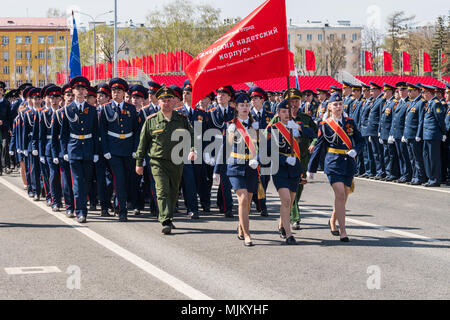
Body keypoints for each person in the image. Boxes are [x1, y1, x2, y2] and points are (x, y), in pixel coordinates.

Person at [135, 86, 196, 235]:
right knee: (162, 191)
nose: (166, 103)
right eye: (163, 100)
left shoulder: (181, 119)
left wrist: (193, 150)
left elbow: (192, 136)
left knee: (174, 191)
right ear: (159, 101)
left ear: (174, 102)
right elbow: (143, 144)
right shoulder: (151, 121)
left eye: (169, 100)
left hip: (176, 161)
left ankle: (168, 215)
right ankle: (165, 220)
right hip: (157, 162)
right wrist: (139, 163)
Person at [307, 93, 365, 242]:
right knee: (340, 194)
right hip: (333, 163)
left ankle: (332, 220)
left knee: (344, 196)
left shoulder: (350, 122)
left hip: (348, 163)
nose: (338, 107)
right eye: (335, 104)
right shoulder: (325, 124)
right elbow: (319, 146)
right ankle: (343, 231)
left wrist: (356, 150)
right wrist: (311, 168)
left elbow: (360, 140)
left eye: (340, 104)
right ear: (330, 107)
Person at [267, 98, 315, 244]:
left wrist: (299, 128)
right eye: (283, 111)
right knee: (286, 200)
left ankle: (282, 225)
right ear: (279, 114)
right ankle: (289, 234)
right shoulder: (274, 128)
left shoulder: (296, 126)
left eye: (288, 111)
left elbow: (313, 133)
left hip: (295, 168)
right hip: (280, 168)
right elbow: (269, 151)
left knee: (291, 200)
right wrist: (284, 159)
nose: (287, 114)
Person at [216, 92, 259, 246]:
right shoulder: (231, 125)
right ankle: (247, 234)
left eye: (247, 105)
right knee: (243, 199)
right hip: (235, 166)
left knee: (248, 202)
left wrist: (257, 159)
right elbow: (224, 148)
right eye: (242, 105)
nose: (245, 107)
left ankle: (241, 226)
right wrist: (216, 170)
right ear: (236, 107)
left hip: (251, 167)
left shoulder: (256, 125)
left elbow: (264, 147)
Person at [61, 76, 99, 223]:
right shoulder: (67, 109)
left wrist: (95, 152)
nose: (80, 91)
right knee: (77, 182)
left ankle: (83, 207)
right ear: (73, 91)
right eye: (77, 89)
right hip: (74, 149)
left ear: (86, 91)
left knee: (87, 182)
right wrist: (65, 151)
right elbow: (64, 133)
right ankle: (80, 212)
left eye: (83, 89)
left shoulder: (92, 110)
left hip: (88, 149)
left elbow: (96, 133)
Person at [99, 78, 139, 222]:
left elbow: (136, 131)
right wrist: (105, 149)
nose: (116, 94)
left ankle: (117, 203)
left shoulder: (131, 108)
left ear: (124, 93)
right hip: (113, 149)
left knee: (126, 180)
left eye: (119, 91)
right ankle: (122, 211)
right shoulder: (106, 108)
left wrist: (135, 149)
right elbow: (102, 131)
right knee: (119, 179)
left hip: (128, 149)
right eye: (114, 91)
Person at [206, 86, 235, 218]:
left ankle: (225, 205)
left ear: (229, 98)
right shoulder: (210, 112)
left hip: (232, 150)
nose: (220, 96)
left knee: (226, 181)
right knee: (220, 180)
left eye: (224, 94)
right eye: (218, 94)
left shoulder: (234, 112)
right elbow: (206, 135)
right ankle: (224, 205)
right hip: (216, 150)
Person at [248, 86, 273, 217]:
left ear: (262, 100)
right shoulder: (247, 114)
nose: (253, 101)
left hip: (266, 152)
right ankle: (261, 205)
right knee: (253, 178)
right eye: (252, 99)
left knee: (265, 179)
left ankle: (259, 201)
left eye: (256, 98)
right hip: (251, 152)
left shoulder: (270, 115)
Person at [420, 84, 446, 187]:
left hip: (433, 135)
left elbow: (440, 120)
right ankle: (430, 178)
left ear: (429, 93)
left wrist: (443, 132)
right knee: (427, 157)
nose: (422, 94)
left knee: (433, 158)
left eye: (424, 92)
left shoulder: (436, 104)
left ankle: (435, 179)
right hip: (427, 135)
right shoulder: (429, 103)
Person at [389, 82, 412, 184]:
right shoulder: (399, 103)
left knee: (405, 156)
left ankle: (407, 175)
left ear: (407, 91)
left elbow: (407, 120)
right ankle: (403, 174)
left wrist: (404, 134)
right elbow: (394, 119)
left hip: (403, 133)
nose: (401, 92)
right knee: (400, 156)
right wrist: (392, 133)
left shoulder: (409, 103)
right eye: (399, 90)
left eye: (403, 90)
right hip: (397, 133)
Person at [404, 83, 427, 185]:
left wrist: (418, 134)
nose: (408, 93)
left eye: (410, 91)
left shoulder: (421, 102)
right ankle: (414, 176)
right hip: (409, 134)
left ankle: (420, 177)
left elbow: (421, 120)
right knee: (412, 158)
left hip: (414, 135)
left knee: (417, 158)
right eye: (408, 91)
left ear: (417, 91)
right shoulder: (412, 103)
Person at [378, 83, 400, 182]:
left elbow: (393, 120)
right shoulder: (386, 103)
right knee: (386, 154)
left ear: (390, 92)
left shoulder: (394, 103)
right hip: (384, 132)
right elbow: (382, 119)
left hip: (389, 133)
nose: (384, 93)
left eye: (385, 91)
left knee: (391, 155)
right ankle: (388, 172)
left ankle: (393, 173)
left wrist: (391, 134)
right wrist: (379, 131)